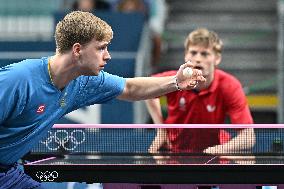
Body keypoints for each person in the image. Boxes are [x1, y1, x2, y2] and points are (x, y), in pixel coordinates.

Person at [0, 11, 204, 189]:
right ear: (78, 50)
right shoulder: (18, 80)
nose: (107, 56)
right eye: (101, 48)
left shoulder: (84, 82)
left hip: (8, 173)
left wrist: (175, 82)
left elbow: (130, 87)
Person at [146, 28, 255, 155]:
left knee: (247, 162)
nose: (198, 59)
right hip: (174, 150)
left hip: (215, 152)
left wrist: (220, 150)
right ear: (186, 56)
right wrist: (161, 130)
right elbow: (148, 91)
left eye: (204, 54)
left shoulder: (230, 86)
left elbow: (248, 136)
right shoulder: (174, 80)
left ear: (217, 58)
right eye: (193, 52)